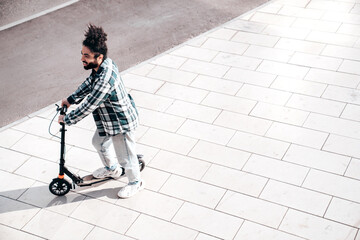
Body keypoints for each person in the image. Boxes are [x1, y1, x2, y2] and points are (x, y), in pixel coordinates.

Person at [58, 24, 143, 198]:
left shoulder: (105, 79)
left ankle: (136, 182)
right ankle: (112, 170)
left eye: (86, 56)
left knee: (126, 156)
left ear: (99, 56)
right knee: (99, 143)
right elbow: (89, 84)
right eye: (82, 54)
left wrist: (67, 119)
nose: (82, 58)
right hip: (108, 120)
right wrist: (70, 99)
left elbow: (90, 104)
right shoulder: (102, 66)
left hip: (120, 122)